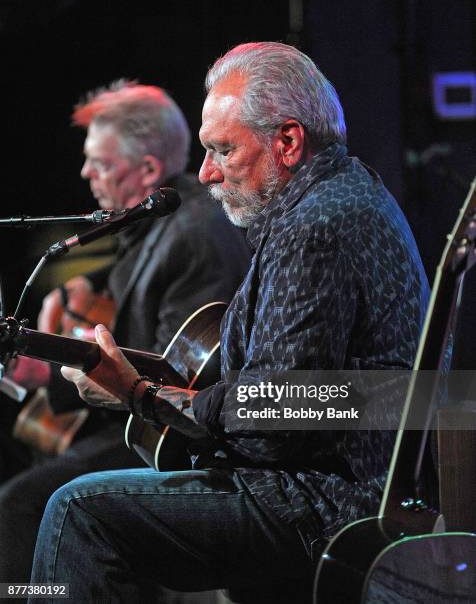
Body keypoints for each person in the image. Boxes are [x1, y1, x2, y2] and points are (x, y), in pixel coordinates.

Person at [29, 43, 429, 604]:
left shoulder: (317, 226)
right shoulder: (344, 197)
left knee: (79, 511)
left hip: (324, 503)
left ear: (287, 142)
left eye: (222, 150)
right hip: (331, 487)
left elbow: (275, 419)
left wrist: (139, 395)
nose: (205, 172)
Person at [0, 80, 250, 592]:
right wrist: (73, 307)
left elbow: (175, 371)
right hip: (136, 419)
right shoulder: (154, 228)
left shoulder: (193, 236)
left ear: (149, 171)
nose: (85, 174)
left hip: (169, 435)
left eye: (101, 163)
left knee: (20, 501)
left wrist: (51, 367)